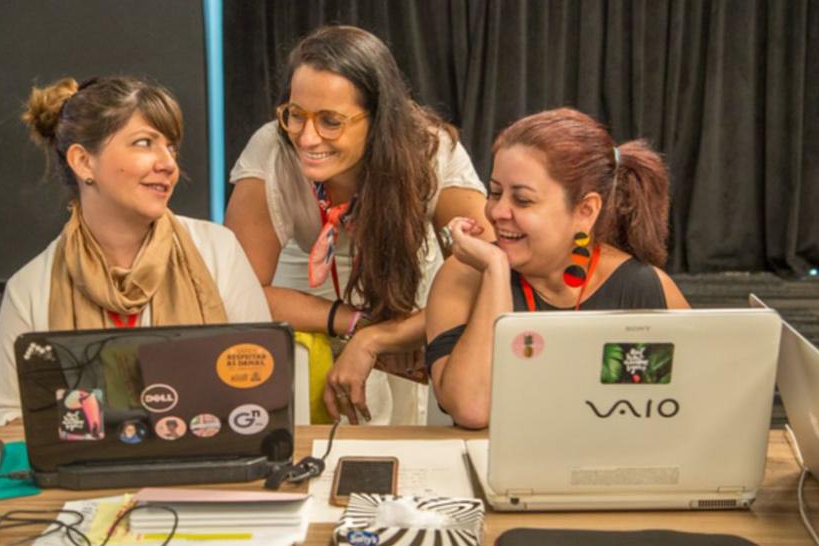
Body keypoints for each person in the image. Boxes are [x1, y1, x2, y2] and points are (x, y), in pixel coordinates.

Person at [226, 26, 492, 425]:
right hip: (304, 305)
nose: (307, 137)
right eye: (295, 115)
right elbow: (240, 291)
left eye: (330, 121)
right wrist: (354, 322)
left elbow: (487, 270)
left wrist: (381, 337)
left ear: (380, 118)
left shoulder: (430, 150)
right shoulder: (272, 148)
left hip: (415, 309)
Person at [0, 76, 271, 426]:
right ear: (84, 162)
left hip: (204, 467)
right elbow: (7, 418)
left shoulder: (218, 252)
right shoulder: (30, 288)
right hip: (82, 477)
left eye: (171, 147)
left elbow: (262, 388)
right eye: (144, 143)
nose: (168, 163)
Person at [425, 108, 690, 429]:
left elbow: (696, 405)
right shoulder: (464, 276)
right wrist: (495, 269)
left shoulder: (643, 286)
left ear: (585, 210)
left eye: (522, 200)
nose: (497, 212)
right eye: (495, 193)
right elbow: (472, 408)